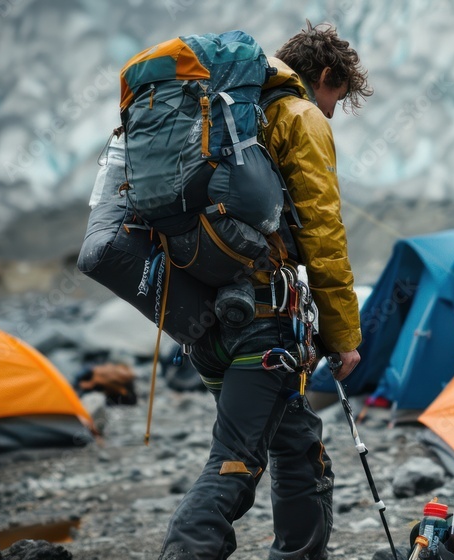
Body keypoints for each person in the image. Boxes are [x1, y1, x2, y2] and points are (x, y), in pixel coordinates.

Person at [160, 22, 371, 560]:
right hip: (262, 320)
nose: (329, 113)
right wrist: (344, 336)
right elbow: (323, 234)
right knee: (235, 461)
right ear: (323, 76)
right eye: (335, 99)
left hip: (203, 322)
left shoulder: (218, 116)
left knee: (297, 442)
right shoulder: (298, 117)